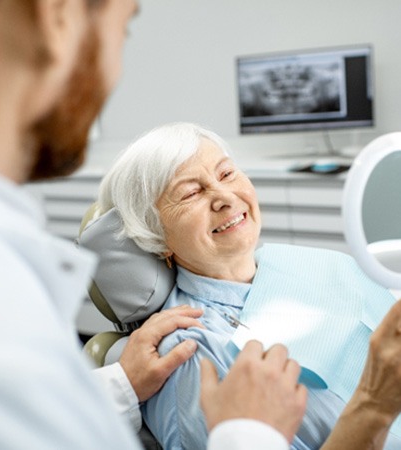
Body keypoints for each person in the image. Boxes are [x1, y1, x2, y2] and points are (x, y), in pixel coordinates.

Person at [0, 1, 306, 449]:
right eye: (125, 27)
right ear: (56, 15)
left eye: (227, 173)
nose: (223, 197)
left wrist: (121, 384)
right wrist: (249, 433)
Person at [97, 121, 401, 450]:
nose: (224, 197)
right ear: (156, 238)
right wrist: (374, 407)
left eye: (227, 173)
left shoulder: (312, 260)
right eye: (191, 193)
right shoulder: (189, 354)